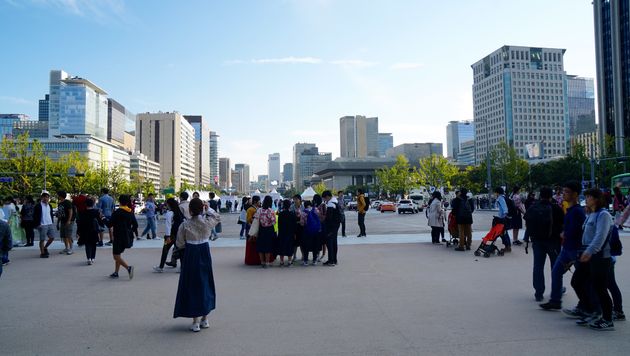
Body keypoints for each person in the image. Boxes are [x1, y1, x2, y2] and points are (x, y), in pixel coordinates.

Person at [566, 188, 615, 330]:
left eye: (589, 197)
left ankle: (607, 319)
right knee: (577, 282)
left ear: (597, 199)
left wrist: (589, 251)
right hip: (587, 254)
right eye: (586, 196)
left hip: (599, 256)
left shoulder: (603, 215)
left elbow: (600, 236)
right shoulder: (591, 214)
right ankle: (590, 310)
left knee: (600, 288)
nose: (586, 199)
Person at [173, 198, 219, 332]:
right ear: (202, 208)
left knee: (192, 285)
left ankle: (195, 321)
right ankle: (205, 319)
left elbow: (179, 243)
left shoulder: (185, 225)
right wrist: (208, 208)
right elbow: (217, 217)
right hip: (204, 252)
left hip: (191, 254)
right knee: (205, 283)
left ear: (190, 210)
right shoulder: (207, 223)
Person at [540, 181, 586, 310]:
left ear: (575, 194)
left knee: (582, 279)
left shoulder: (577, 211)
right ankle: (555, 300)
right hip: (567, 248)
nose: (563, 194)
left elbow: (581, 229)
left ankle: (589, 305)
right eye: (564, 191)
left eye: (567, 192)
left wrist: (566, 234)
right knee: (556, 272)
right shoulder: (571, 210)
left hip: (575, 248)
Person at [525, 187, 564, 302]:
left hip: (537, 241)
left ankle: (539, 292)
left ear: (540, 195)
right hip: (553, 241)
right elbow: (563, 224)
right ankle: (556, 291)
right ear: (551, 195)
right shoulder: (556, 208)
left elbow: (527, 222)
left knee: (538, 267)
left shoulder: (533, 207)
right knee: (555, 268)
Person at [107, 195, 138, 279]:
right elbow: (135, 225)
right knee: (118, 255)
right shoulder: (130, 212)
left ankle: (128, 268)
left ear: (119, 201)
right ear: (128, 202)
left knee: (115, 256)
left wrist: (102, 218)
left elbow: (109, 224)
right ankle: (116, 272)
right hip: (127, 236)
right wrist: (130, 231)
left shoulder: (117, 212)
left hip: (118, 236)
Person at [154, 198, 186, 272]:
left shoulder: (169, 213)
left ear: (169, 205)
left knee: (165, 249)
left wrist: (167, 236)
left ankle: (161, 267)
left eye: (167, 204)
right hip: (179, 235)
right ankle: (182, 267)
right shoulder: (179, 212)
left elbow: (168, 226)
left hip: (170, 235)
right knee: (180, 250)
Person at [76, 198, 102, 265]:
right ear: (93, 204)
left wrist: (78, 232)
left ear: (85, 204)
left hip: (85, 231)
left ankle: (89, 258)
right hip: (94, 230)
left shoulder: (81, 212)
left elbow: (79, 223)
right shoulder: (96, 211)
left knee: (87, 245)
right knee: (93, 244)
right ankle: (93, 258)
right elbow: (100, 221)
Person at [257, 196, 277, 268]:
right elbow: (274, 222)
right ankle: (267, 262)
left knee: (261, 246)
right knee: (267, 246)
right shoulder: (270, 211)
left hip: (261, 229)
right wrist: (268, 224)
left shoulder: (259, 210)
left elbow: (256, 219)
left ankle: (262, 262)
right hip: (269, 230)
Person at [34, 191, 55, 258]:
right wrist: (37, 224)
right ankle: (42, 253)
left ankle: (45, 248)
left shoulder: (50, 205)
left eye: (47, 197)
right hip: (42, 224)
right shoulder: (38, 206)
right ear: (41, 197)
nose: (46, 198)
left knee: (52, 237)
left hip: (49, 223)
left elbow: (51, 214)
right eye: (44, 197)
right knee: (42, 239)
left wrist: (52, 221)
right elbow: (34, 216)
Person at [322, 191, 341, 266]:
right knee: (334, 242)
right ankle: (334, 260)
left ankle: (331, 261)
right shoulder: (335, 201)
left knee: (330, 243)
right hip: (336, 225)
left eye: (324, 198)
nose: (324, 200)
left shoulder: (330, 204)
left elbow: (329, 218)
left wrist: (326, 225)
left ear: (327, 197)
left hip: (331, 226)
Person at [276, 199, 296, 266]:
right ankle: (289, 261)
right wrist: (294, 233)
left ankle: (281, 261)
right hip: (290, 233)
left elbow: (279, 225)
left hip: (282, 233)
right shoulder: (292, 214)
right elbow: (294, 225)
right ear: (290, 205)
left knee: (282, 246)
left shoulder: (280, 214)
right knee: (289, 247)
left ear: (283, 205)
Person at [56, 191, 75, 255]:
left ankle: (71, 248)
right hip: (63, 221)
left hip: (69, 221)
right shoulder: (60, 203)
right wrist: (58, 223)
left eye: (58, 195)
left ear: (61, 196)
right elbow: (59, 214)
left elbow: (70, 211)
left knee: (68, 235)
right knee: (64, 236)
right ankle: (66, 248)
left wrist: (69, 220)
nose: (57, 196)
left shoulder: (67, 202)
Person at [244, 196, 261, 265]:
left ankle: (256, 259)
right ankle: (251, 260)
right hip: (251, 229)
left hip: (256, 228)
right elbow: (248, 220)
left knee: (256, 245)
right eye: (259, 201)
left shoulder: (258, 209)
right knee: (251, 244)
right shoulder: (250, 209)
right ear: (255, 202)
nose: (260, 202)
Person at [494, 187, 511, 252]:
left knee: (503, 233)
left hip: (502, 219)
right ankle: (508, 246)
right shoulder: (503, 197)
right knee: (504, 232)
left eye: (495, 192)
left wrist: (503, 218)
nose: (495, 193)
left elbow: (505, 209)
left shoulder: (501, 198)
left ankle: (507, 246)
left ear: (497, 192)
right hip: (503, 218)